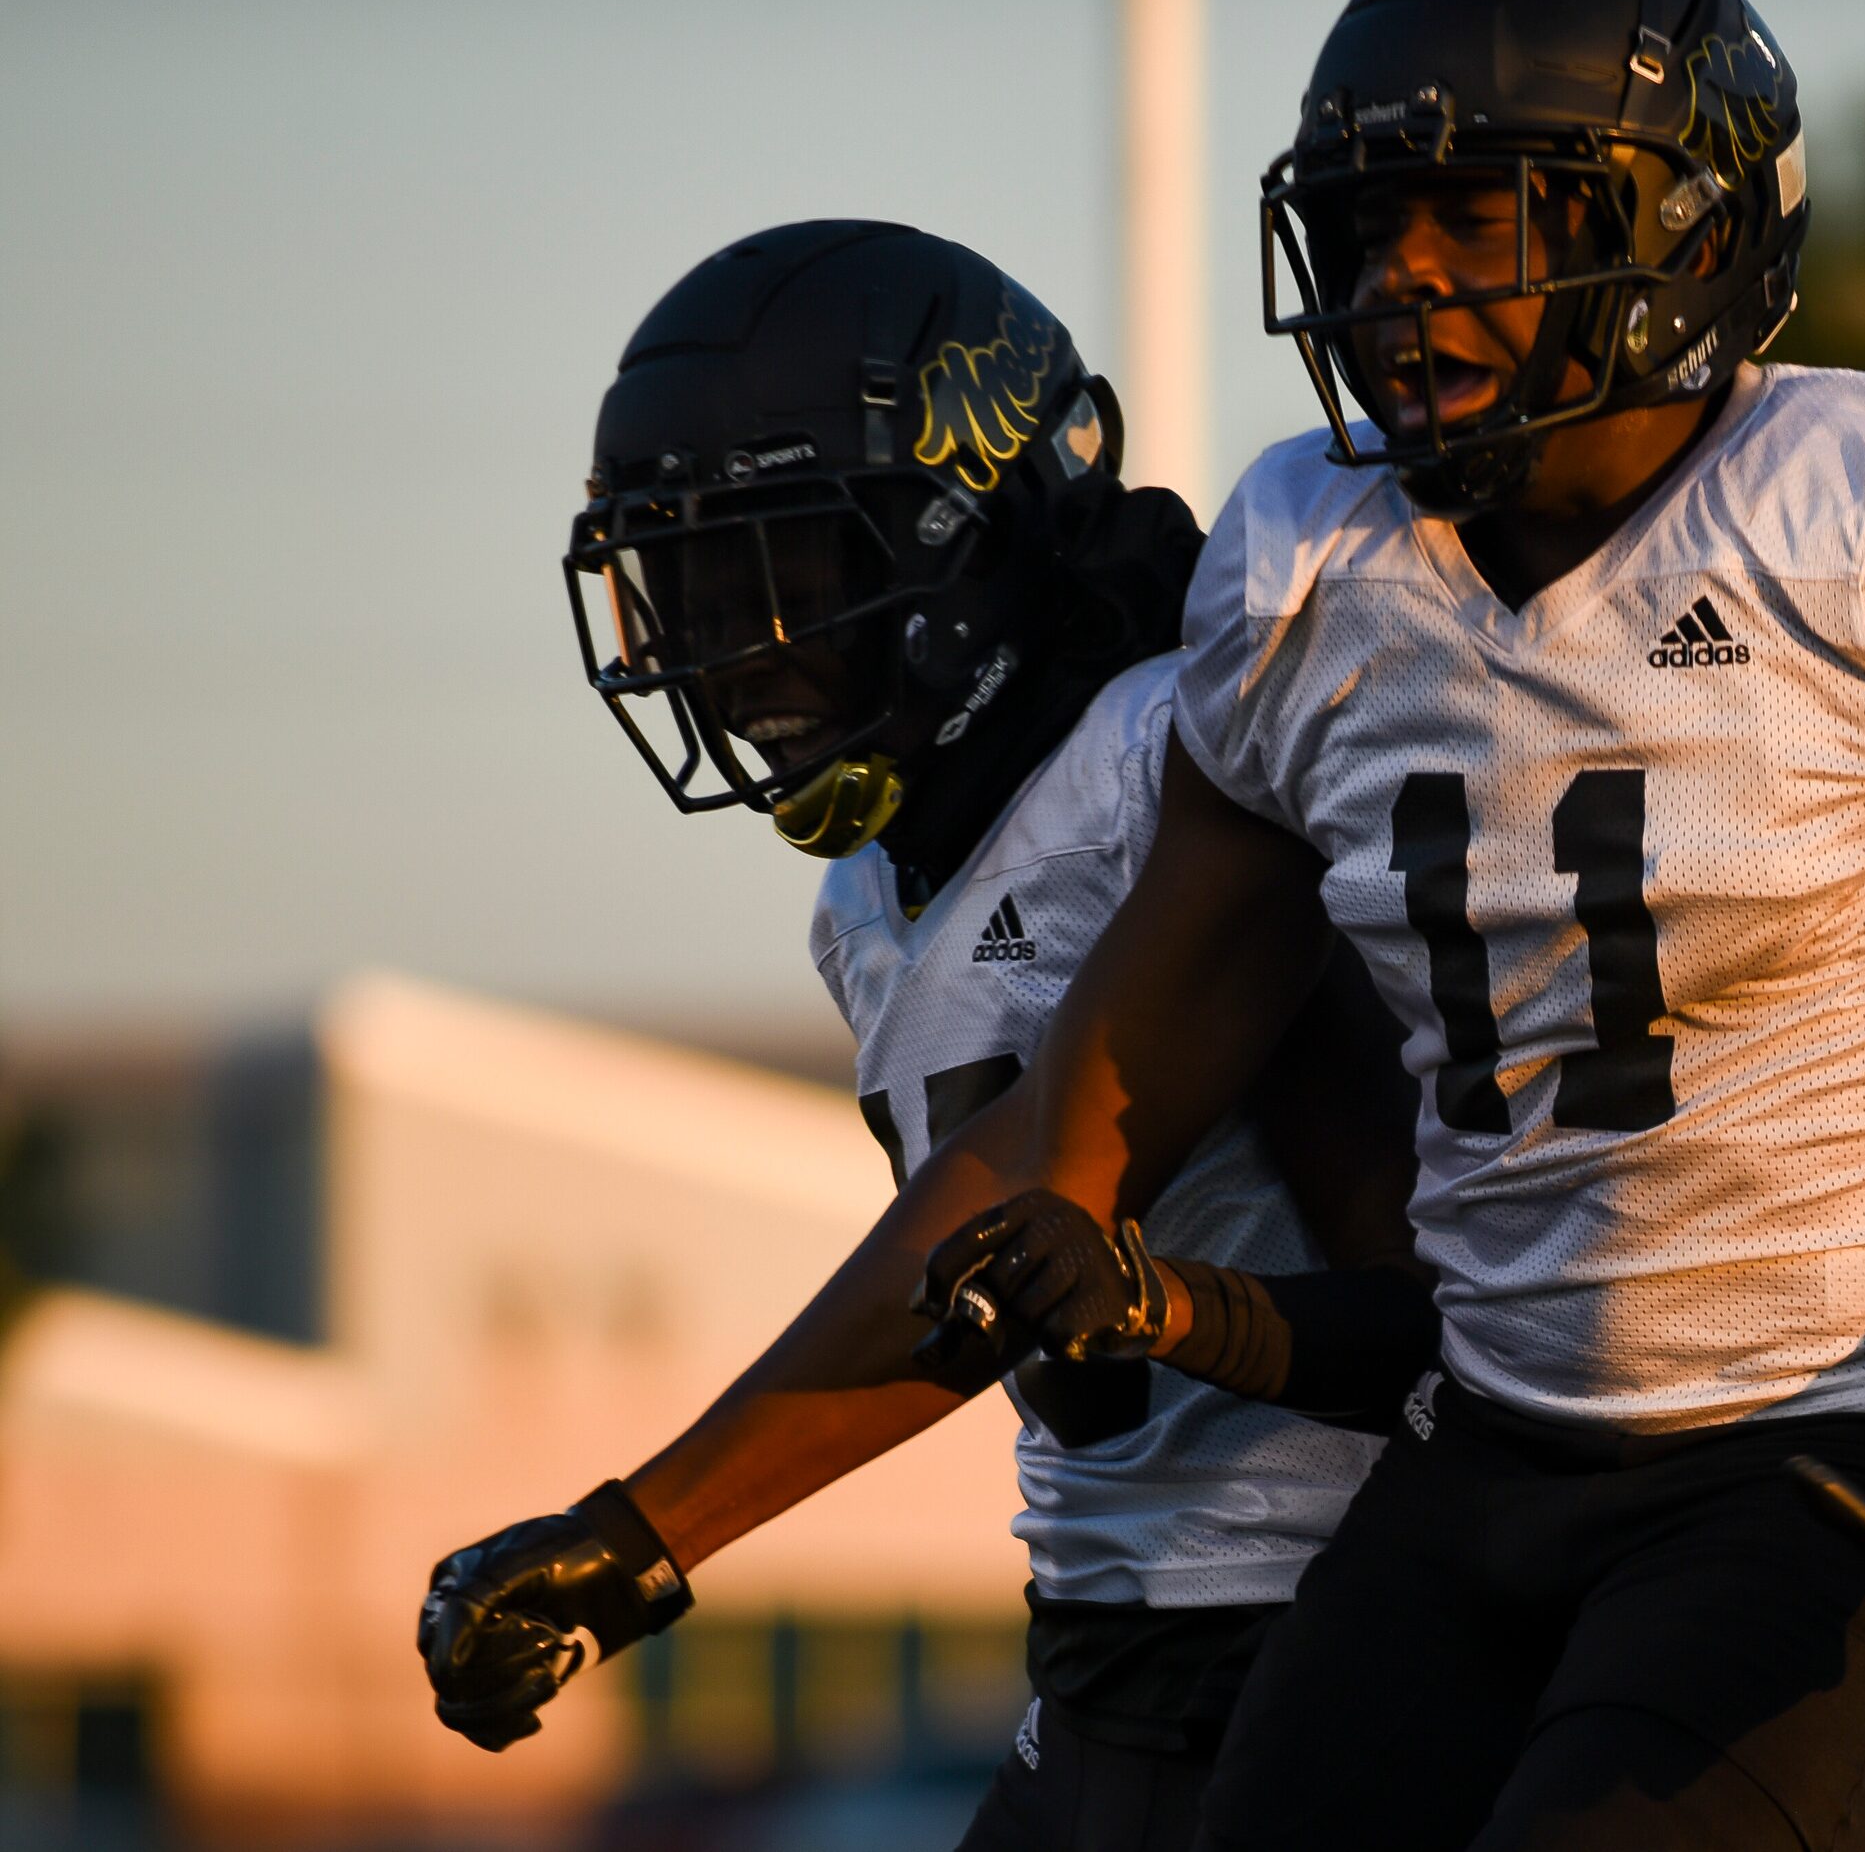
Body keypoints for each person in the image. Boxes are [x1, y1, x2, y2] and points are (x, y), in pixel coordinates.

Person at [460, 0, 1865, 1836]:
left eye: (1467, 214)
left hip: (1820, 1453)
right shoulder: (1317, 565)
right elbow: (1069, 1130)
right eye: (1357, 229)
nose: (1396, 279)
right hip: (1484, 1453)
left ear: (1680, 222)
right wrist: (638, 1534)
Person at [415, 220, 1434, 1852]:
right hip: (1104, 1628)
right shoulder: (866, 900)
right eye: (682, 585)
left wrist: (646, 1528)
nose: (728, 650)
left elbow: (1420, 1313)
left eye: (789, 575)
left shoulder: (1166, 772)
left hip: (1325, 1622)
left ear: (975, 538)